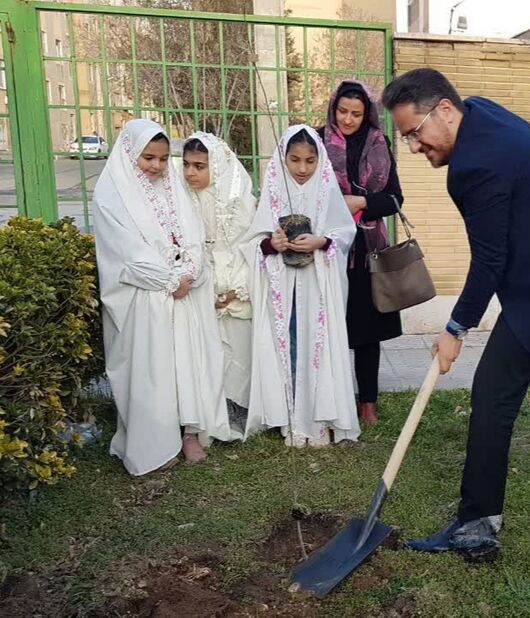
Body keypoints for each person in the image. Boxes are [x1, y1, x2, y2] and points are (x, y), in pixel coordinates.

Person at [381, 68, 530, 557]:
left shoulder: (475, 167)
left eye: (413, 132)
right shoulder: (481, 111)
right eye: (404, 136)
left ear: (444, 110)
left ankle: (477, 525)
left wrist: (455, 328)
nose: (411, 146)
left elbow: (489, 261)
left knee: (491, 393)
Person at [93, 119, 238, 475]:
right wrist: (168, 280)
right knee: (153, 369)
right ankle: (157, 441)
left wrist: (190, 272)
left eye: (162, 158)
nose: (157, 166)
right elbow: (124, 253)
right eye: (148, 158)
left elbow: (192, 234)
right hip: (144, 300)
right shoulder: (110, 194)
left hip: (184, 295)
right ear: (130, 155)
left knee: (187, 364)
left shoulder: (173, 187)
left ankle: (190, 432)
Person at [243, 125, 360, 447]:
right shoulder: (274, 186)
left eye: (310, 160)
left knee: (317, 346)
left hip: (317, 287)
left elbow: (344, 233)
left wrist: (322, 241)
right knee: (291, 345)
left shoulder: (326, 187)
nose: (303, 168)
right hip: (284, 286)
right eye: (294, 160)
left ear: (319, 159)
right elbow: (254, 240)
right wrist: (273, 243)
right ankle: (292, 420)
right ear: (283, 158)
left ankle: (320, 419)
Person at [320, 80, 404, 426]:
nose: (348, 119)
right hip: (327, 250)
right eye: (342, 111)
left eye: (356, 113)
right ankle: (332, 398)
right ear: (333, 108)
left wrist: (363, 202)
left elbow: (395, 198)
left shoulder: (378, 142)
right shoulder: (317, 140)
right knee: (330, 329)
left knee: (367, 332)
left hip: (367, 252)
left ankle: (367, 401)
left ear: (367, 113)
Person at [181, 132, 256, 431]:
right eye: (186, 165)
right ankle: (209, 410)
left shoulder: (240, 201)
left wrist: (233, 288)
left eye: (199, 166)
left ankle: (240, 406)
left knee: (239, 349)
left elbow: (246, 244)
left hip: (236, 284)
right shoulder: (181, 198)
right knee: (206, 354)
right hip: (199, 285)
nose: (190, 172)